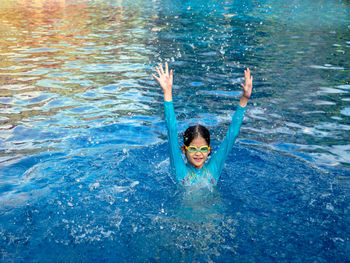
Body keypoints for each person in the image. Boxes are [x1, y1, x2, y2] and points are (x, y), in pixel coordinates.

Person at [153, 62, 252, 186]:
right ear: (184, 150)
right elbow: (171, 130)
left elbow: (231, 135)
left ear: (209, 150)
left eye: (203, 149)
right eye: (193, 149)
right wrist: (167, 92)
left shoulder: (214, 169)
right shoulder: (180, 171)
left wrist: (245, 98)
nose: (199, 153)